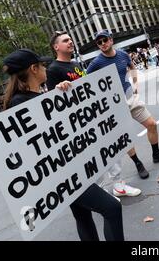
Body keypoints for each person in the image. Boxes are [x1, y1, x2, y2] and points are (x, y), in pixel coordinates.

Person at [2, 48, 124, 241]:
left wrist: (63, 96)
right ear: (34, 69)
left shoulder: (36, 98)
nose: (46, 69)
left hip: (68, 170)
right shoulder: (21, 103)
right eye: (42, 65)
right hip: (62, 176)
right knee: (112, 208)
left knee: (82, 216)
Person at [46, 31, 146, 198]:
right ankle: (101, 194)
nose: (70, 42)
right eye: (65, 40)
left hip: (94, 117)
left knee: (111, 150)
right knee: (93, 159)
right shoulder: (53, 69)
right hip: (78, 124)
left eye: (71, 39)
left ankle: (118, 186)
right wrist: (58, 88)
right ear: (56, 47)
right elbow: (52, 101)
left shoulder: (76, 64)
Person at [87, 31, 159, 179]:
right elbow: (85, 81)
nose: (102, 44)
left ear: (111, 40)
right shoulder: (96, 63)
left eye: (104, 40)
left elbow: (132, 67)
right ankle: (137, 163)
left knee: (152, 124)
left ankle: (157, 153)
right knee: (126, 136)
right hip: (114, 105)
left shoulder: (122, 54)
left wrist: (135, 84)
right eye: (99, 42)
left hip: (130, 98)